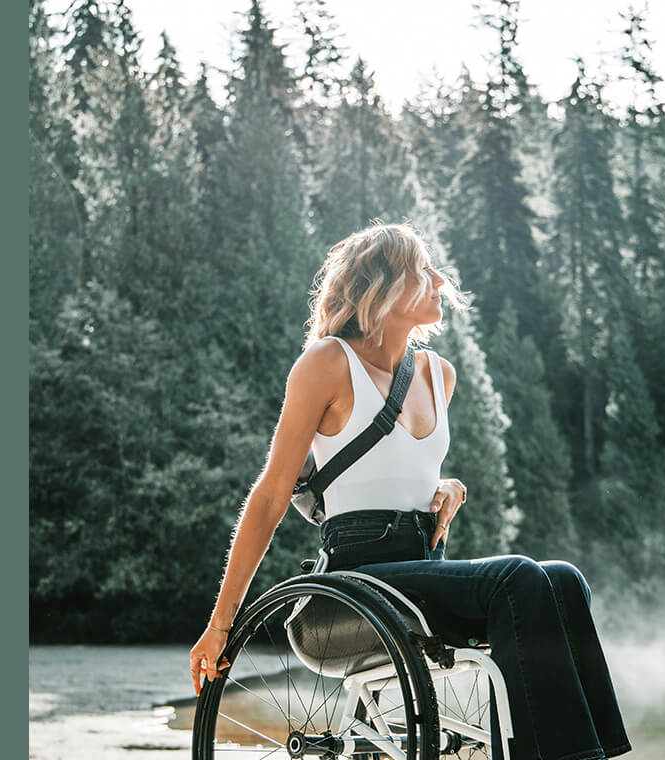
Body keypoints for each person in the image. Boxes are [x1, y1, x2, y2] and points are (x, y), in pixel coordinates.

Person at [190, 222, 631, 760]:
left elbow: (396, 465)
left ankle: (587, 753)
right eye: (424, 270)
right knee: (517, 576)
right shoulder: (327, 364)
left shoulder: (438, 374)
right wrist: (221, 624)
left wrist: (442, 485)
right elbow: (270, 497)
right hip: (353, 590)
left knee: (562, 581)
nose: (441, 280)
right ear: (385, 286)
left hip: (421, 570)